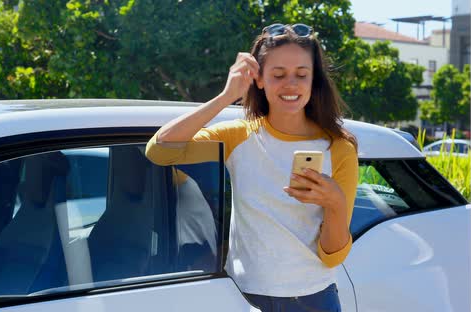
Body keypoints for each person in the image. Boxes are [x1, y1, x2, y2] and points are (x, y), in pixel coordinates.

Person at [146, 23, 358, 312]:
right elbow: (159, 151)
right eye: (278, 74)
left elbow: (333, 257)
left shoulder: (339, 149)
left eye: (301, 75)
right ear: (259, 80)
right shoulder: (237, 136)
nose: (291, 85)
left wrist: (334, 203)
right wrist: (225, 97)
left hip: (312, 300)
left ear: (314, 80)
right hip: (244, 298)